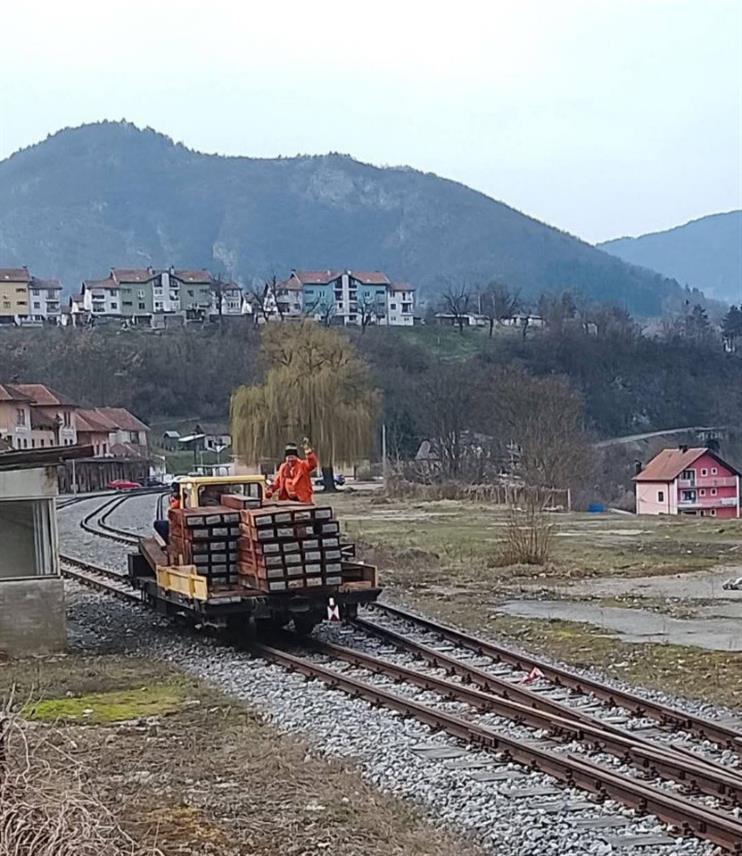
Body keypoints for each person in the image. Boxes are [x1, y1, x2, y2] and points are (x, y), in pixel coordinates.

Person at [266, 438, 317, 504]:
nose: (290, 459)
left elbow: (312, 464)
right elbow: (277, 482)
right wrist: (270, 489)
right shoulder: (283, 467)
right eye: (288, 457)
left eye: (292, 457)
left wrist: (308, 452)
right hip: (286, 501)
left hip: (302, 501)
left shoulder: (303, 465)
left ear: (296, 456)